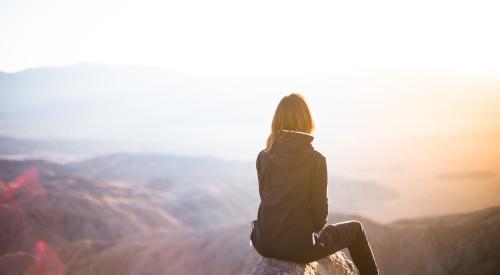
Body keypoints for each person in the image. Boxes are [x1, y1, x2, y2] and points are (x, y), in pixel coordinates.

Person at [250, 93, 379, 275]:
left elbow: (268, 199)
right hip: (300, 250)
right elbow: (320, 217)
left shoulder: (263, 157)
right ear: (307, 121)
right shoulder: (316, 160)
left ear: (276, 122)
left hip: (264, 243)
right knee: (356, 229)